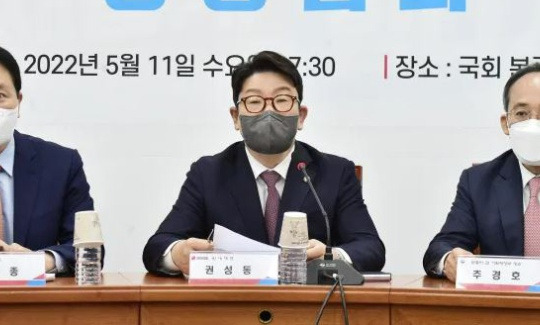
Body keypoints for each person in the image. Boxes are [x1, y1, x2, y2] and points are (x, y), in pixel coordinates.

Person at [143, 50, 385, 276]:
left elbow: (371, 248)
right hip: (234, 308)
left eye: (281, 100)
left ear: (300, 116)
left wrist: (331, 256)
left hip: (309, 308)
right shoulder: (209, 173)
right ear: (236, 117)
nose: (269, 111)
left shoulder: (334, 172)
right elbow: (158, 246)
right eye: (255, 101)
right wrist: (178, 254)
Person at [424, 63, 540, 282]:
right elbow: (440, 249)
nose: (533, 124)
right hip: (507, 309)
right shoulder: (478, 181)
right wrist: (450, 259)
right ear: (506, 123)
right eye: (522, 113)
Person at [0, 46, 96, 275]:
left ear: (19, 101)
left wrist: (42, 261)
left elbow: (86, 249)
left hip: (33, 303)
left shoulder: (61, 165)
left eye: (0, 96)